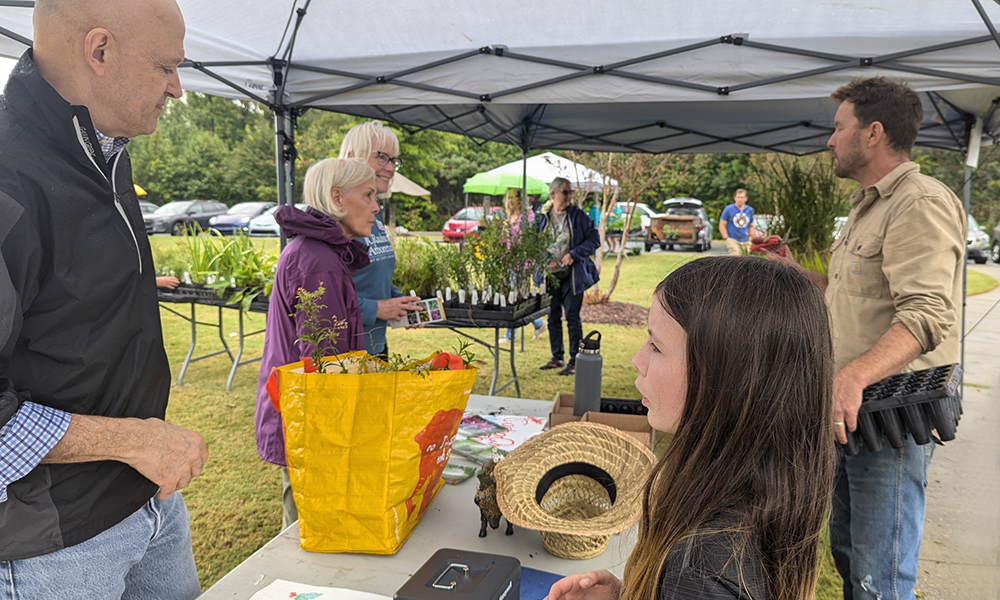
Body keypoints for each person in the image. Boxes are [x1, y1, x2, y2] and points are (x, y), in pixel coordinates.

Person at [0, 0, 208, 597]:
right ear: (99, 51)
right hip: (52, 545)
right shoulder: (10, 180)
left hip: (147, 503)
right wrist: (133, 440)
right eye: (166, 67)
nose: (177, 88)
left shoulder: (103, 151)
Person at [546, 256, 836, 600]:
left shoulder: (702, 567)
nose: (637, 360)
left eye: (655, 346)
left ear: (724, 376)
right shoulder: (758, 499)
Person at [820, 77, 964, 600]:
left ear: (873, 132)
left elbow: (928, 313)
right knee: (850, 557)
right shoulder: (870, 203)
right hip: (852, 411)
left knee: (878, 578)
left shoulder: (919, 202)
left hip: (888, 417)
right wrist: (801, 278)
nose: (830, 140)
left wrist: (853, 376)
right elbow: (862, 298)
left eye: (840, 128)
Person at [255, 158, 380, 529]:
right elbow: (324, 367)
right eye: (369, 195)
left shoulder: (321, 253)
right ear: (337, 198)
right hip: (309, 423)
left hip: (307, 417)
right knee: (308, 529)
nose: (376, 206)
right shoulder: (317, 262)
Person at [339, 121, 420, 359]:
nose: (391, 168)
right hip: (344, 353)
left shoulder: (373, 212)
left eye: (393, 160)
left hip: (376, 345)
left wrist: (399, 302)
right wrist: (379, 309)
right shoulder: (336, 219)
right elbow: (324, 296)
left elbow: (370, 279)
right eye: (382, 157)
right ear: (352, 157)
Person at [537, 177, 600, 376]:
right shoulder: (542, 216)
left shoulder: (578, 216)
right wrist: (545, 260)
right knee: (552, 316)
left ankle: (575, 360)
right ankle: (557, 357)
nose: (570, 196)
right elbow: (534, 243)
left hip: (574, 276)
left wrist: (574, 254)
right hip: (551, 276)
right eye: (566, 192)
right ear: (553, 193)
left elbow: (594, 240)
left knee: (572, 317)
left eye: (571, 192)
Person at [501, 189, 545, 344]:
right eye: (508, 198)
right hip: (508, 261)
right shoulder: (509, 216)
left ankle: (510, 335)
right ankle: (538, 323)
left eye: (513, 198)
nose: (510, 201)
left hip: (522, 263)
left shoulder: (528, 217)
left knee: (515, 296)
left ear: (521, 200)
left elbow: (527, 240)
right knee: (518, 296)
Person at [719, 188, 756, 256]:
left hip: (745, 240)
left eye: (742, 197)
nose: (740, 199)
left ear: (746, 199)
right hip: (733, 239)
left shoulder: (749, 210)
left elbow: (751, 225)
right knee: (736, 258)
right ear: (735, 198)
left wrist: (750, 238)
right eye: (738, 197)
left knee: (746, 259)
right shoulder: (728, 209)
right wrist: (726, 238)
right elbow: (722, 224)